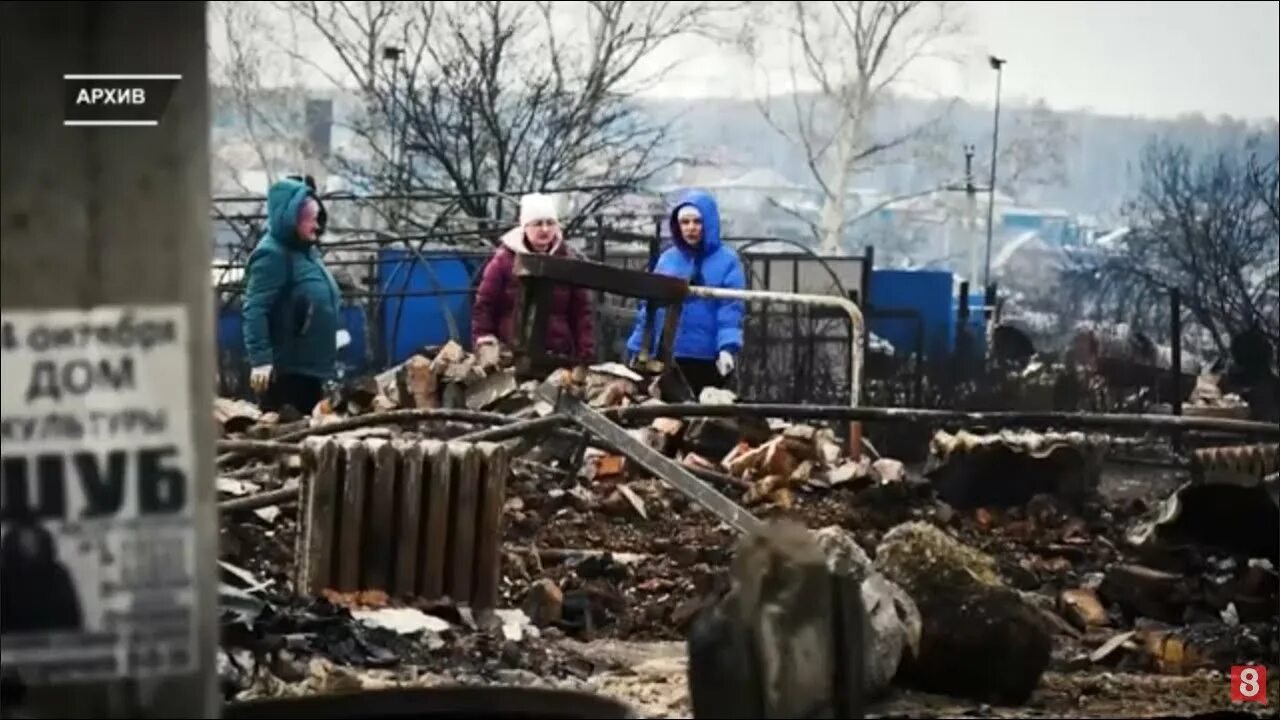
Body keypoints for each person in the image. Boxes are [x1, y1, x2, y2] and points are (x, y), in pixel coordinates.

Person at [627, 188, 746, 397]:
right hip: (668, 355)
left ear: (708, 223)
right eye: (685, 222)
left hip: (707, 357)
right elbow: (650, 307)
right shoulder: (667, 260)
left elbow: (730, 309)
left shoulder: (727, 261)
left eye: (697, 222)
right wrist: (638, 346)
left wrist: (727, 348)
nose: (691, 228)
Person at [242, 175, 342, 414]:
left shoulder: (306, 252)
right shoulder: (272, 255)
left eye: (317, 218)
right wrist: (261, 360)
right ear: (290, 218)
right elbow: (255, 309)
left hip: (311, 370)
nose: (316, 226)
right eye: (310, 219)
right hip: (289, 375)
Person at [471, 193, 595, 363]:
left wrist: (585, 352)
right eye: (538, 223)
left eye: (550, 223)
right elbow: (484, 304)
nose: (545, 229)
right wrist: (484, 339)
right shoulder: (504, 260)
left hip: (558, 354)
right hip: (511, 353)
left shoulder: (567, 261)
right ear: (525, 226)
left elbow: (581, 312)